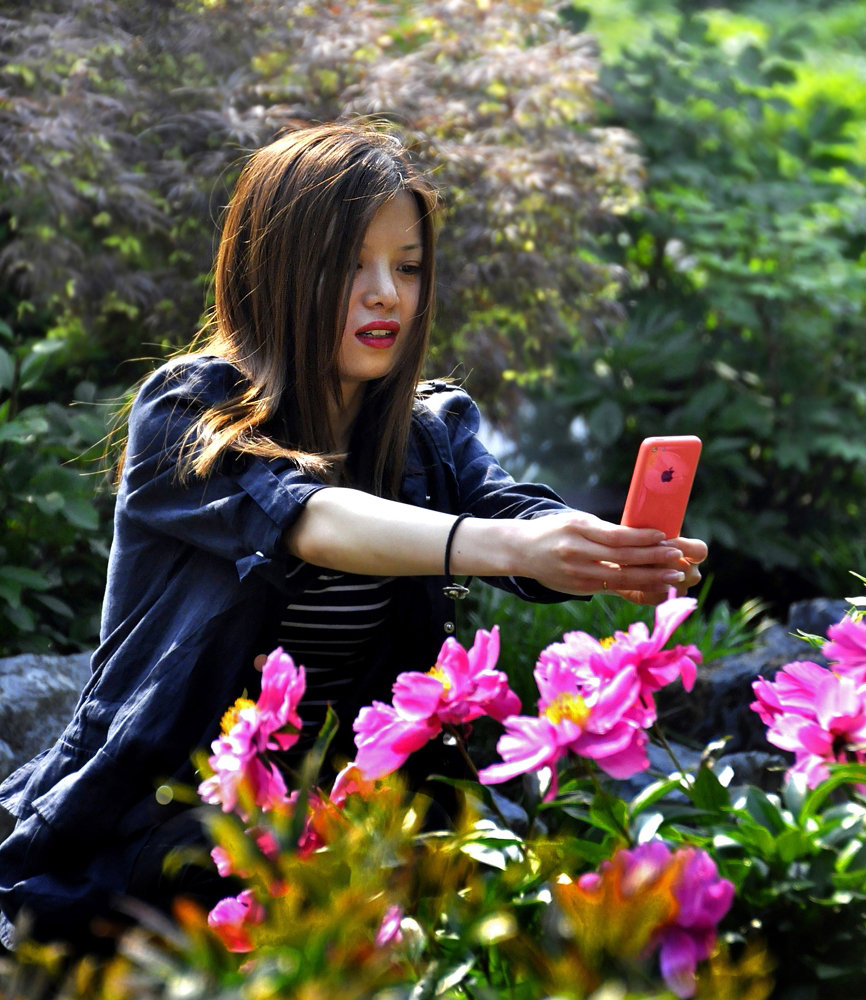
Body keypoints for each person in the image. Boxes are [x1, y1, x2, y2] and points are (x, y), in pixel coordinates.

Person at [0, 122, 706, 951]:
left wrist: (586, 549)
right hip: (173, 817)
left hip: (363, 818)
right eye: (351, 265)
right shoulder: (191, 413)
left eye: (407, 267)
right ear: (276, 268)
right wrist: (504, 546)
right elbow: (308, 519)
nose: (388, 295)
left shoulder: (430, 429)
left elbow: (512, 513)